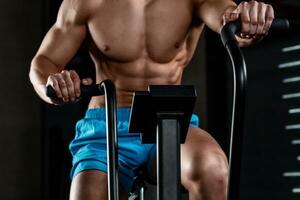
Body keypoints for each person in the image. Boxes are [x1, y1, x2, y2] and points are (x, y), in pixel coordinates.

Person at [29, 0, 274, 199]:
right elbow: (42, 64)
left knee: (214, 170)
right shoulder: (85, 2)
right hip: (107, 124)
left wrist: (249, 20)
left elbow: (230, 22)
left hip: (169, 120)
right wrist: (52, 85)